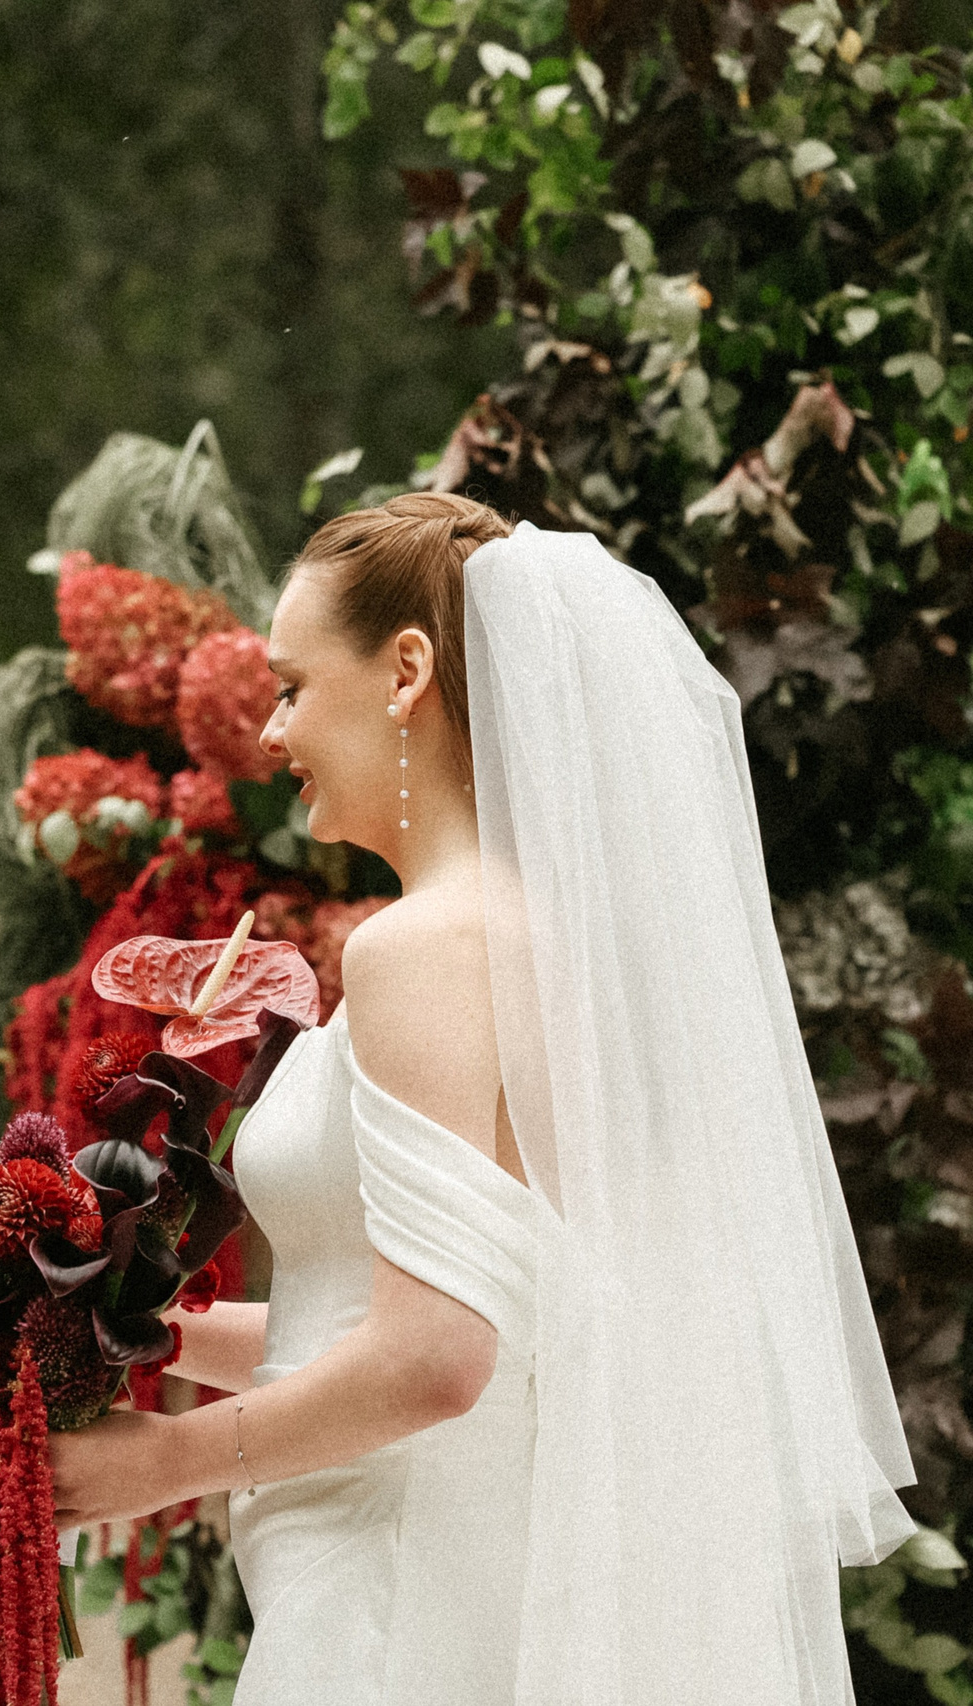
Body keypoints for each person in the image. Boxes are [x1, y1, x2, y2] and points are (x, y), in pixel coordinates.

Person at [44, 495, 913, 1704]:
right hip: (475, 1559)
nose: (275, 731)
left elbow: (432, 1361)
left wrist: (168, 1460)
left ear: (404, 671)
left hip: (404, 1589)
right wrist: (99, 1315)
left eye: (293, 686)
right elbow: (430, 1322)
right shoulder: (550, 942)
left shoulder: (422, 950)